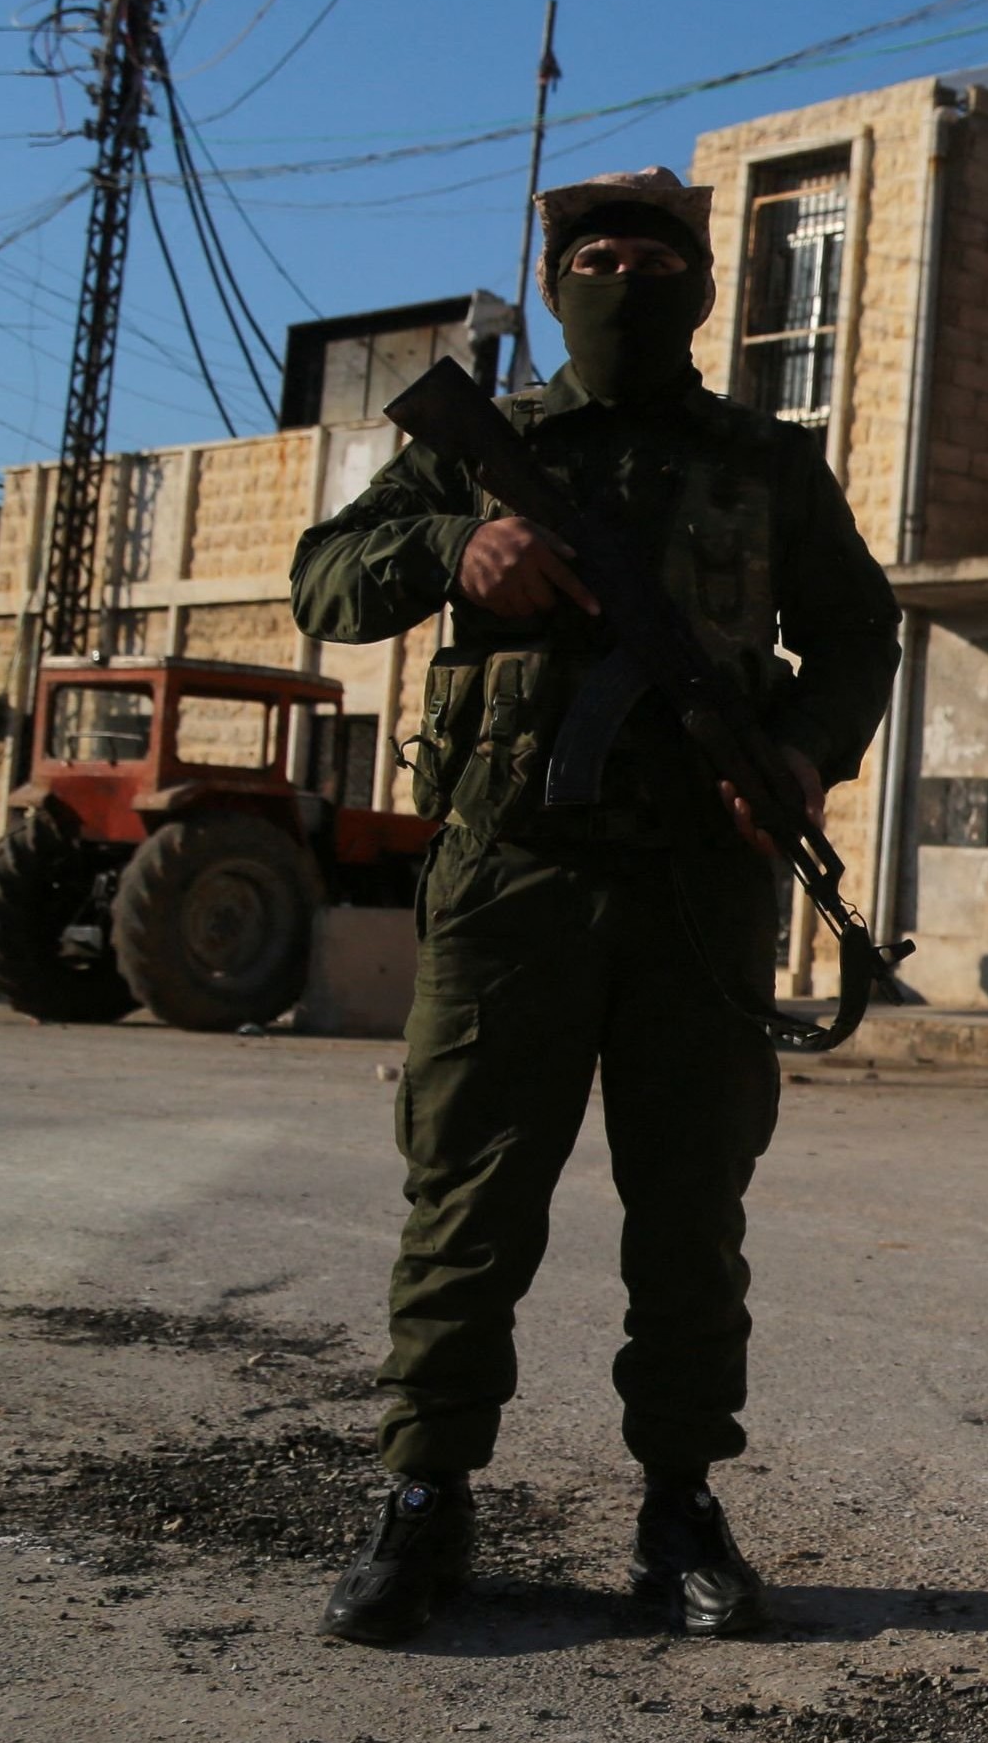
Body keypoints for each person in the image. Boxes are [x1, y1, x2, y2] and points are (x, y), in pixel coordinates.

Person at [290, 168, 901, 1644]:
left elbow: (856, 630)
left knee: (690, 1211)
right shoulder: (492, 451)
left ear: (702, 283)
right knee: (468, 1202)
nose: (624, 274)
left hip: (700, 886)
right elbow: (325, 581)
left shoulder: (764, 463)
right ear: (556, 277)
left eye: (654, 254)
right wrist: (456, 550)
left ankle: (678, 1508)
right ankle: (425, 1498)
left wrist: (803, 760)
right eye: (593, 253)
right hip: (513, 879)